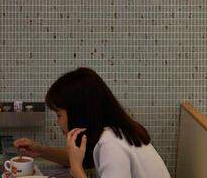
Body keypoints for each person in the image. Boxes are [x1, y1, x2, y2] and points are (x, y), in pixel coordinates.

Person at [14, 68, 170, 178]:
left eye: (59, 115)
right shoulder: (114, 132)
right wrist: (41, 150)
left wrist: (76, 170)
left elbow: (77, 164)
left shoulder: (111, 145)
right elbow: (78, 158)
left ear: (78, 112)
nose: (58, 122)